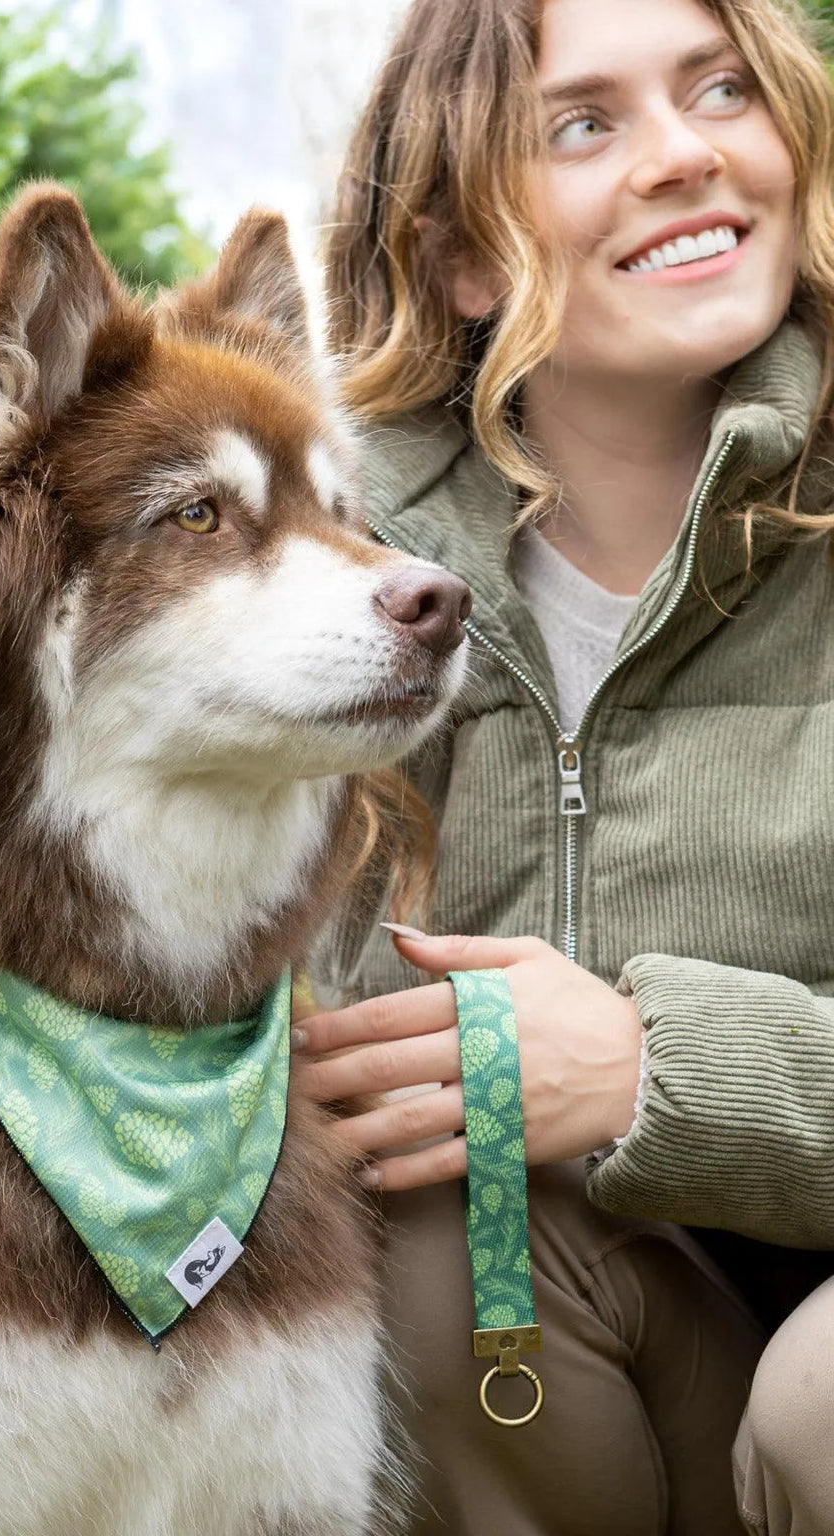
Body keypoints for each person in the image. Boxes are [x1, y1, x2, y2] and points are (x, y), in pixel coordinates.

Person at [291, 0, 834, 1531]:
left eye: (723, 89)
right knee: (435, 1258)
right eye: (583, 125)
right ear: (459, 253)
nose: (686, 156)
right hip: (561, 1377)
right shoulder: (318, 584)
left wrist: (661, 1070)